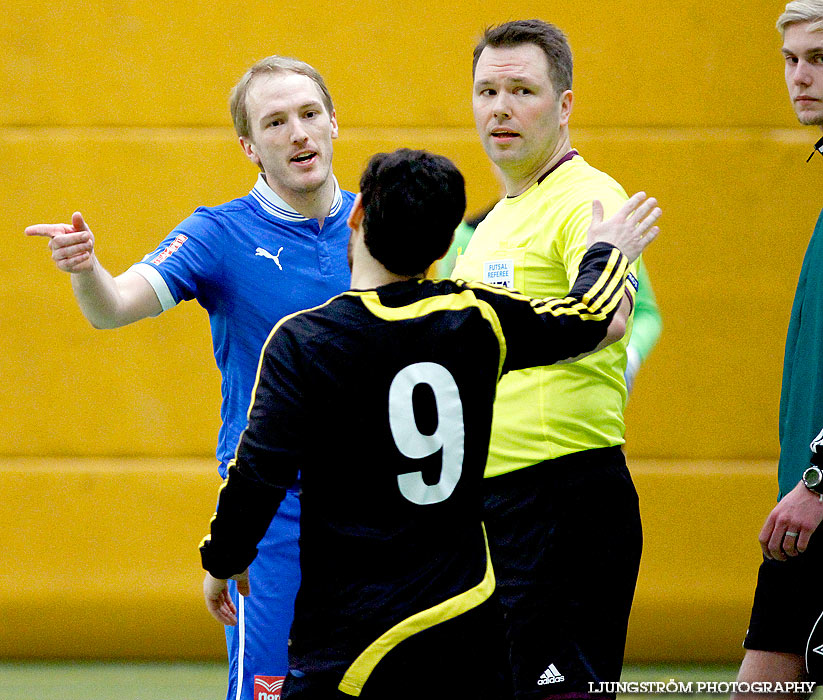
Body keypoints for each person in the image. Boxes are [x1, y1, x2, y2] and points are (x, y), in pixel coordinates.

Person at [199, 147, 661, 699]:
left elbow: (257, 474)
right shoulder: (477, 318)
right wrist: (609, 252)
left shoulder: (306, 341)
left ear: (357, 212)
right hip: (463, 621)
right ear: (446, 245)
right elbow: (588, 316)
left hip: (352, 636)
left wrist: (223, 559)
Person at [25, 56, 356, 700]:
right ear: (249, 146)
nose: (298, 133)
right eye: (276, 122)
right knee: (269, 691)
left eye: (310, 114)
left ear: (334, 122)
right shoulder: (219, 233)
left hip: (376, 505)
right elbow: (114, 306)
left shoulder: (380, 221)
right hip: (270, 511)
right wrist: (86, 269)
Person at [451, 20, 649, 698]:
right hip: (498, 500)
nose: (499, 108)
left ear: (563, 105)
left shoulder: (585, 198)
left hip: (562, 497)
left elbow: (612, 317)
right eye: (486, 91)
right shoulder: (497, 218)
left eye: (521, 90)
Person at [733, 2, 823, 696]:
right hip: (801, 514)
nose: (799, 78)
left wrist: (819, 480)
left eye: (817, 58)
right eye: (790, 60)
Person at [437, 209, 661, 393]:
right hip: (491, 411)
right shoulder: (467, 235)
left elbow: (635, 315)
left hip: (575, 406)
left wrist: (630, 360)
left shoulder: (594, 226)